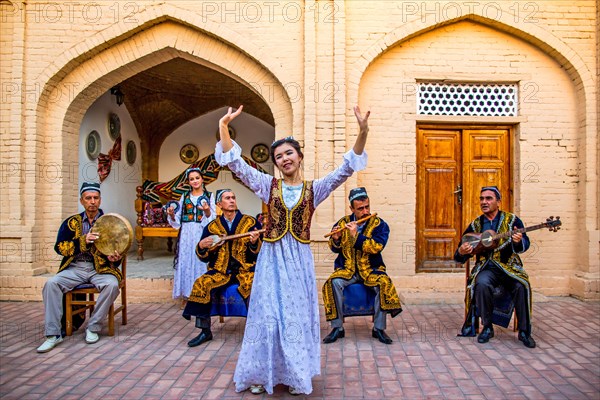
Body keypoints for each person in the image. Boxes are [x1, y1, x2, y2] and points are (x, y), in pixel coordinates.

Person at [216, 105, 370, 395]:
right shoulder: (266, 185)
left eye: (289, 153)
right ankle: (263, 374)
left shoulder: (316, 189)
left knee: (295, 316)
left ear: (299, 156)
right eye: (278, 157)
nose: (284, 159)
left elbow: (346, 169)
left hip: (298, 260)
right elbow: (236, 165)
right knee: (267, 315)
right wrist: (224, 127)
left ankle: (296, 373)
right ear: (275, 164)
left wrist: (363, 131)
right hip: (271, 259)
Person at [37, 182, 123, 353]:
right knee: (51, 284)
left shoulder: (111, 223)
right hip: (74, 268)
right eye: (88, 198)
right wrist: (84, 240)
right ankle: (53, 334)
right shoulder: (70, 223)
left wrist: (115, 258)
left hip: (100, 269)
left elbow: (119, 249)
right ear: (82, 201)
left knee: (112, 285)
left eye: (95, 198)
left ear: (100, 200)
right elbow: (60, 247)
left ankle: (93, 326)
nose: (92, 201)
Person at [454, 186, 536, 348]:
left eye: (488, 198)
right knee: (481, 284)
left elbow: (524, 245)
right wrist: (462, 251)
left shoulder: (512, 221)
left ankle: (525, 332)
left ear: (498, 202)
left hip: (509, 267)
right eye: (482, 199)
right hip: (487, 267)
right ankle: (487, 327)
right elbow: (459, 253)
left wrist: (518, 241)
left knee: (521, 286)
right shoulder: (476, 224)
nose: (484, 202)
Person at [322, 187, 402, 345]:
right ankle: (337, 327)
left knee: (384, 283)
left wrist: (356, 236)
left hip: (371, 270)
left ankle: (378, 328)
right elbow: (334, 248)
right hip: (348, 270)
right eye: (360, 209)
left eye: (367, 207)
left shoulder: (380, 225)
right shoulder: (342, 223)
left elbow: (376, 247)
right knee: (333, 283)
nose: (365, 211)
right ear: (352, 208)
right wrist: (337, 239)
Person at [182, 189, 262, 347]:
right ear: (219, 204)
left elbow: (261, 253)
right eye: (227, 198)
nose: (232, 200)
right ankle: (205, 331)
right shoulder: (212, 227)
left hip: (245, 269)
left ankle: (256, 329)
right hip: (220, 271)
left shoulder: (250, 222)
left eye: (233, 197)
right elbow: (203, 256)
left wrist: (254, 243)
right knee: (201, 283)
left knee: (255, 285)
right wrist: (201, 246)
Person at [166, 168, 216, 306]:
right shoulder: (185, 197)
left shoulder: (209, 196)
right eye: (191, 179)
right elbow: (177, 217)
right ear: (188, 182)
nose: (195, 181)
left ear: (202, 179)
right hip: (187, 232)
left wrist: (206, 211)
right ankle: (186, 295)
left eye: (197, 178)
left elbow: (212, 218)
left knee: (200, 260)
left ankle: (200, 292)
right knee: (186, 260)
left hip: (201, 231)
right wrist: (171, 214)